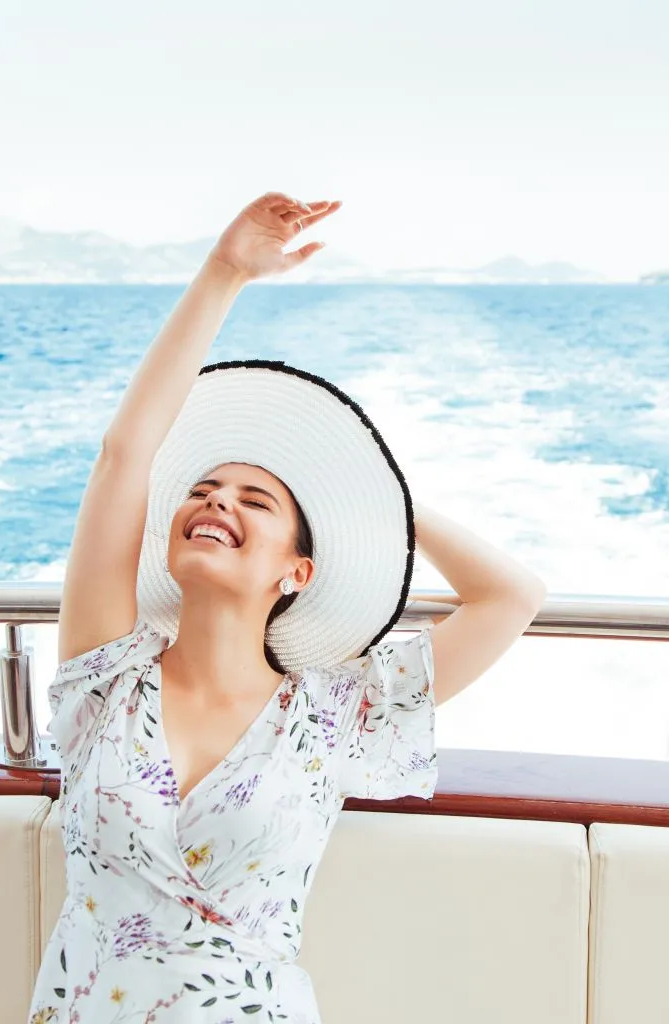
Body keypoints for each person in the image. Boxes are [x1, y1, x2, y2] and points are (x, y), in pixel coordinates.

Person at [27, 192, 547, 1024]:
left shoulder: (335, 713)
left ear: (297, 571)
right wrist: (225, 272)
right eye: (202, 490)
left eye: (253, 500)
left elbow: (511, 597)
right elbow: (125, 457)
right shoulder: (106, 676)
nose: (217, 500)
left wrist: (379, 501)